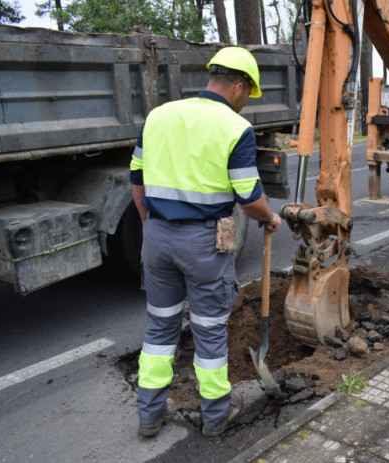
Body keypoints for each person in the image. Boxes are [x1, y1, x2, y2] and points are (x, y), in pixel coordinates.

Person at [129, 47, 281, 438]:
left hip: (157, 238)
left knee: (160, 328)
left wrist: (150, 227)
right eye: (249, 94)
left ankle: (150, 413)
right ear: (239, 86)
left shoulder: (159, 116)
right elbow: (249, 198)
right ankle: (215, 415)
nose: (246, 103)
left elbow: (137, 179)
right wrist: (270, 217)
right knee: (209, 329)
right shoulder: (234, 128)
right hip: (203, 245)